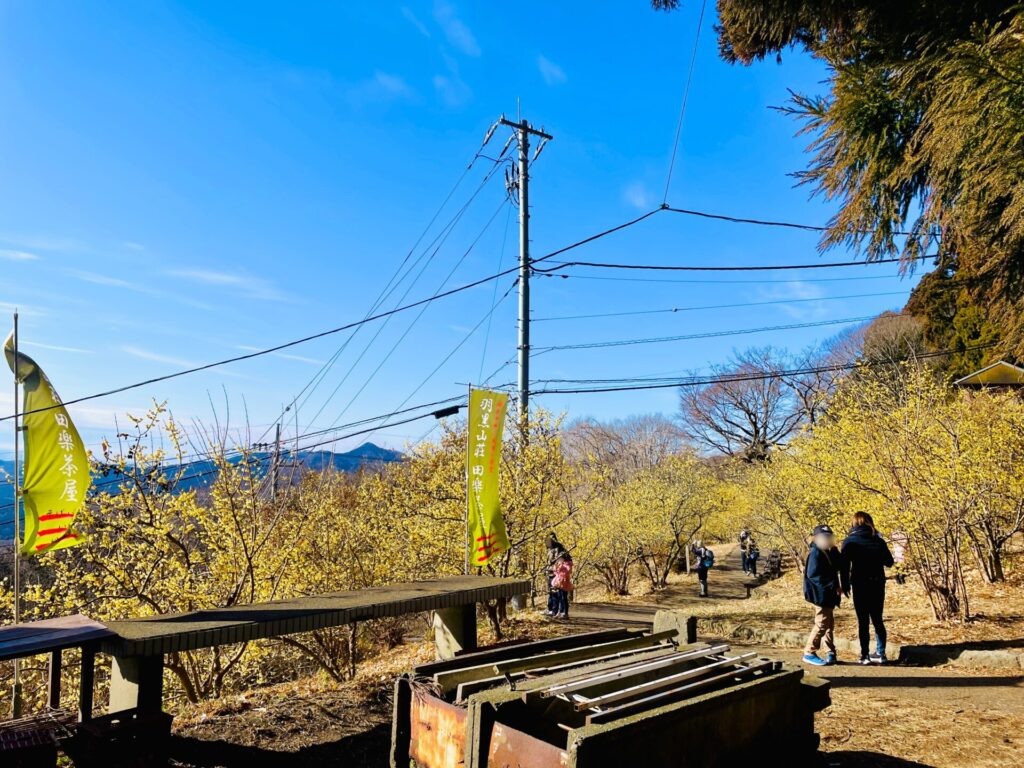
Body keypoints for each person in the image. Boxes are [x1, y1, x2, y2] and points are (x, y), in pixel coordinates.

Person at [841, 512, 895, 665]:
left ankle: (864, 655)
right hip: (877, 584)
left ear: (854, 524)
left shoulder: (849, 542)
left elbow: (844, 567)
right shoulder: (878, 541)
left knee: (863, 621)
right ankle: (881, 653)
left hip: (860, 584)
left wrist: (845, 585)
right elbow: (889, 562)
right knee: (877, 619)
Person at [802, 525, 845, 667]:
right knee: (821, 624)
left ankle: (830, 652)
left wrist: (835, 551)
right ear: (816, 538)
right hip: (821, 595)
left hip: (828, 595)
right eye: (824, 537)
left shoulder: (828, 551)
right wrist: (832, 586)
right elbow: (813, 575)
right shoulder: (815, 553)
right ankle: (809, 652)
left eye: (829, 537)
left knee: (828, 624)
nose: (827, 539)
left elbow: (839, 565)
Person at [544, 532, 565, 617]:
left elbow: (560, 561)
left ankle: (556, 610)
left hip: (556, 573)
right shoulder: (549, 549)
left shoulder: (558, 549)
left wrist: (555, 568)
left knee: (556, 592)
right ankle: (551, 608)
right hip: (549, 572)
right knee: (551, 592)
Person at [551, 550, 574, 619]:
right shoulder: (560, 563)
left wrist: (563, 568)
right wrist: (556, 567)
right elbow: (556, 572)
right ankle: (560, 611)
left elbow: (568, 571)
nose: (558, 559)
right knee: (559, 597)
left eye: (560, 558)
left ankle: (565, 612)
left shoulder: (567, 564)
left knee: (564, 598)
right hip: (558, 582)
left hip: (564, 582)